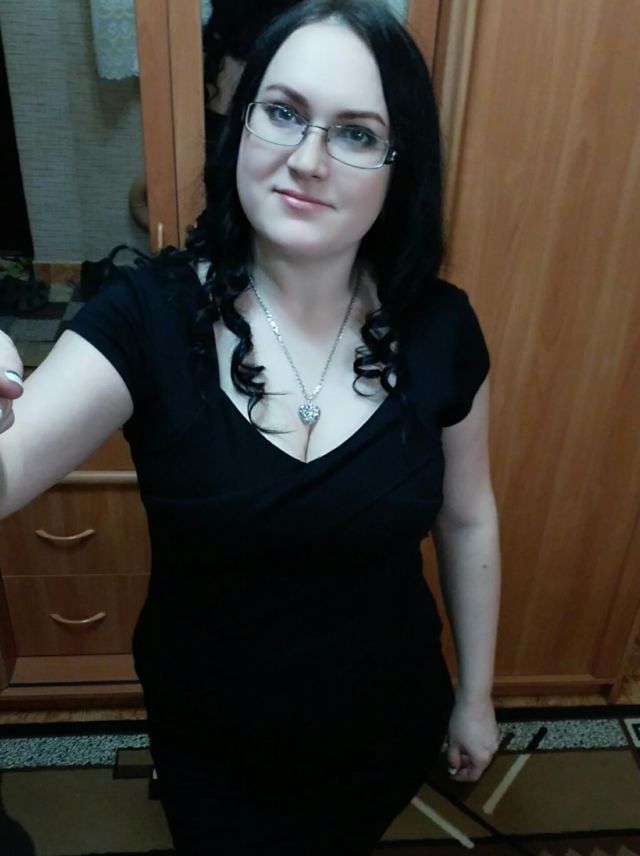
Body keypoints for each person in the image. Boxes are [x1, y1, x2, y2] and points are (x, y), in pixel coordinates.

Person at [0, 0, 501, 852]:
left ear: (400, 165)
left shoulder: (442, 327)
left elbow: (468, 516)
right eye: (284, 112)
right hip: (213, 747)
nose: (306, 159)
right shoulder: (148, 317)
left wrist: (476, 696)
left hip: (384, 721)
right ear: (241, 124)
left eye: (356, 133)